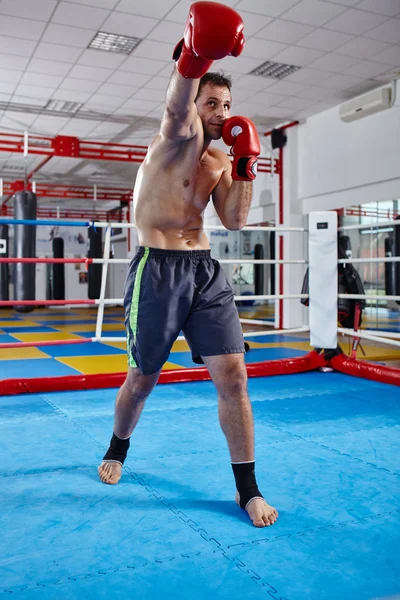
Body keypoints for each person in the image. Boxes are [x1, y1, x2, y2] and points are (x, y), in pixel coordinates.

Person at [98, 1, 278, 529]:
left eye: (228, 104)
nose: (222, 113)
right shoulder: (173, 136)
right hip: (157, 270)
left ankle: (248, 489)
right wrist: (193, 56)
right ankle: (118, 447)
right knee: (142, 379)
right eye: (213, 103)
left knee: (235, 377)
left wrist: (246, 165)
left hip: (204, 271)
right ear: (196, 103)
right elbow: (177, 104)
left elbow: (236, 219)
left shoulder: (220, 156)